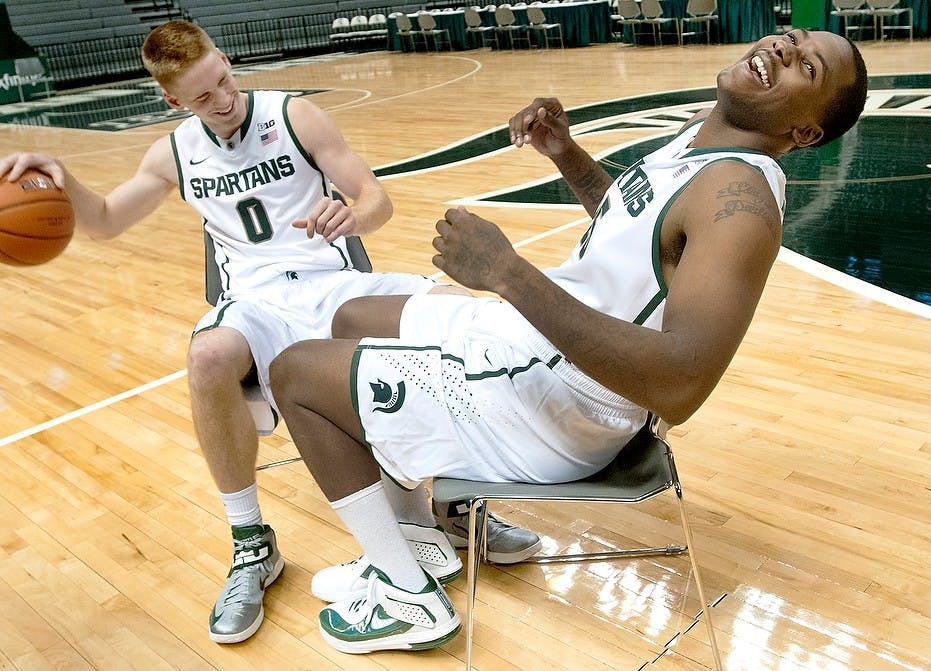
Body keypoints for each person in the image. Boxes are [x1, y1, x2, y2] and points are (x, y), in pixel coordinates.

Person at [266, 28, 869, 654]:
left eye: (807, 66)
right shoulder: (706, 140)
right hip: (540, 348)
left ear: (805, 133)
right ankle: (429, 537)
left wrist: (508, 274)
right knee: (355, 318)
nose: (781, 50)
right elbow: (640, 228)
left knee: (296, 374)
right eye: (790, 37)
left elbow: (683, 383)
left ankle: (406, 594)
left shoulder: (740, 203)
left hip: (560, 400)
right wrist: (567, 154)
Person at [0, 20, 540, 645]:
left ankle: (456, 501)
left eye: (224, 81)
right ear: (174, 101)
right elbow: (105, 221)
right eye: (203, 97)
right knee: (206, 357)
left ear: (225, 60)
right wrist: (61, 178)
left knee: (450, 315)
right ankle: (252, 544)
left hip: (330, 284)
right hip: (255, 302)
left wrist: (353, 213)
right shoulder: (172, 153)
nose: (223, 101)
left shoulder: (294, 117)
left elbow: (375, 199)